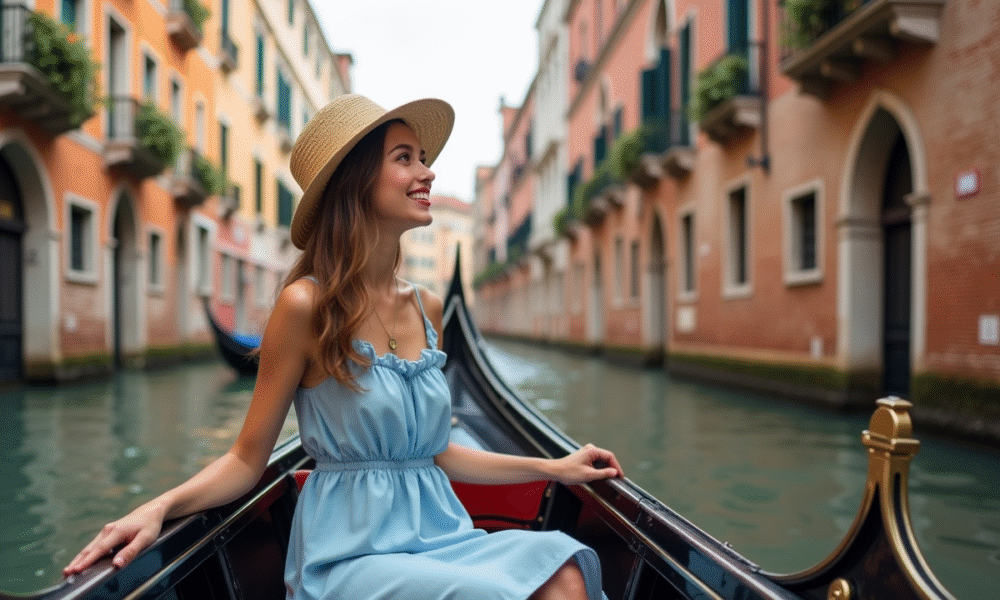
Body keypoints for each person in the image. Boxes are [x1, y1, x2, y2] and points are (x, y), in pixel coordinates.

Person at [63, 94, 624, 599]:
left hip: (442, 536)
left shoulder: (427, 309)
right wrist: (159, 506)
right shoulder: (304, 307)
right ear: (355, 182)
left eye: (422, 157)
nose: (427, 172)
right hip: (351, 557)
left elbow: (437, 451)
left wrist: (555, 468)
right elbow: (245, 458)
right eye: (404, 158)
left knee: (566, 572)